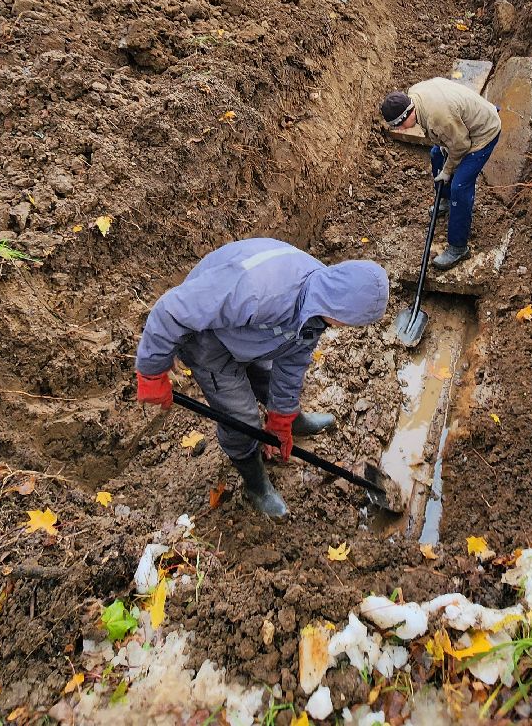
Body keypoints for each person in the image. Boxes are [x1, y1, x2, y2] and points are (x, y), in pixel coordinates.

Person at [134, 238, 389, 518]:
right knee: (241, 420)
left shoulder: (321, 298)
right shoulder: (256, 290)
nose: (351, 327)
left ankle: (292, 420)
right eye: (354, 322)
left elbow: (293, 357)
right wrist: (151, 370)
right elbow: (171, 310)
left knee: (269, 378)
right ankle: (256, 485)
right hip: (207, 340)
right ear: (342, 310)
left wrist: (281, 417)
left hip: (251, 331)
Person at [381, 79, 501, 270]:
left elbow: (462, 146)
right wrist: (446, 144)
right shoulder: (415, 95)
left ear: (408, 112)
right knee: (436, 154)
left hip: (482, 133)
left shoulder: (438, 119)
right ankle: (444, 201)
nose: (402, 130)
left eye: (401, 125)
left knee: (460, 186)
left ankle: (458, 247)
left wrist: (447, 171)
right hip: (461, 125)